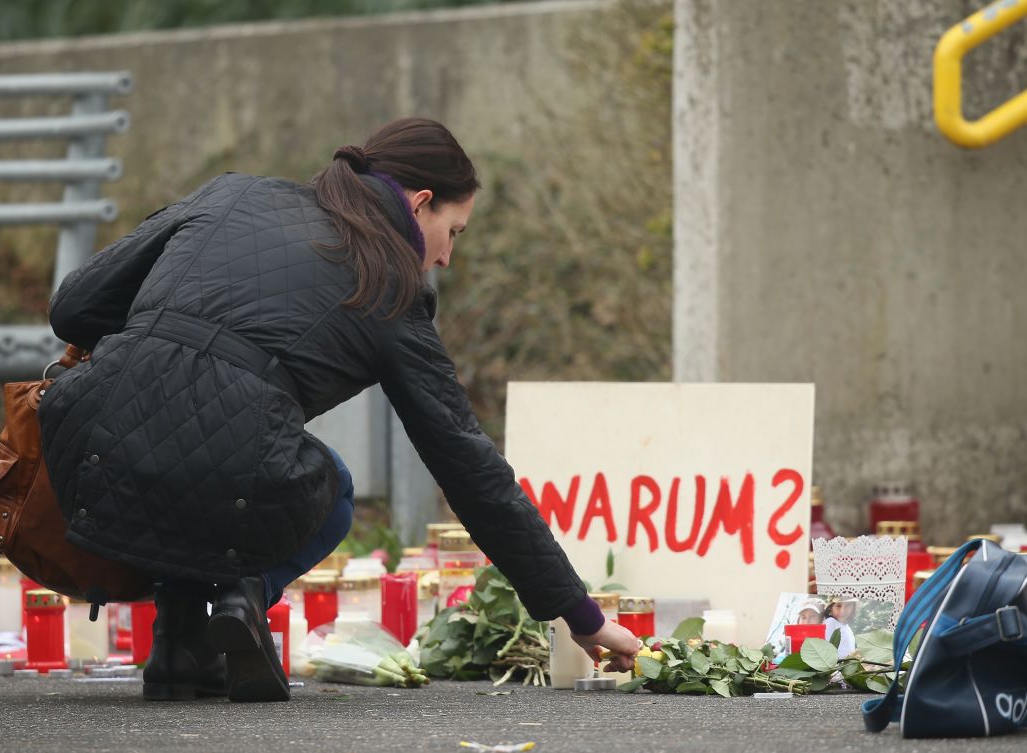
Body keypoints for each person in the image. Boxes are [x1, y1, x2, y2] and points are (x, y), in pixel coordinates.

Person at [37, 117, 640, 702]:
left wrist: (161, 340)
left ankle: (178, 646)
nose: (447, 258)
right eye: (453, 232)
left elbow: (74, 307)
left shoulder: (233, 192)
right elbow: (469, 468)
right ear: (421, 202)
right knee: (328, 487)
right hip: (215, 480)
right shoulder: (389, 292)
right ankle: (240, 596)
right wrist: (580, 616)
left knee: (204, 456)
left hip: (83, 448)